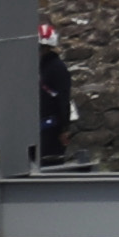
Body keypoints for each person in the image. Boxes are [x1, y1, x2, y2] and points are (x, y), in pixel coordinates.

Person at [36, 25, 74, 165]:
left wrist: (64, 128)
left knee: (49, 163)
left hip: (50, 126)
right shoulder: (39, 67)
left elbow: (63, 99)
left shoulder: (56, 68)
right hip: (39, 125)